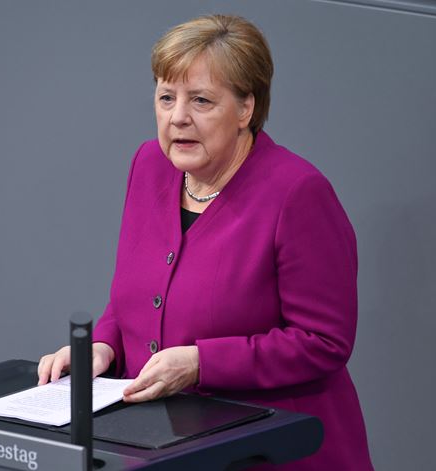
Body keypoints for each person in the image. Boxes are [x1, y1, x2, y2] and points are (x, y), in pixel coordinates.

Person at [37, 14, 373, 470]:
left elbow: (323, 341)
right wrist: (103, 347)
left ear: (245, 109)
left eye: (201, 100)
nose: (178, 117)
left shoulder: (297, 194)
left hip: (271, 450)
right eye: (166, 97)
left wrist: (202, 363)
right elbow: (139, 296)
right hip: (162, 443)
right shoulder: (150, 165)